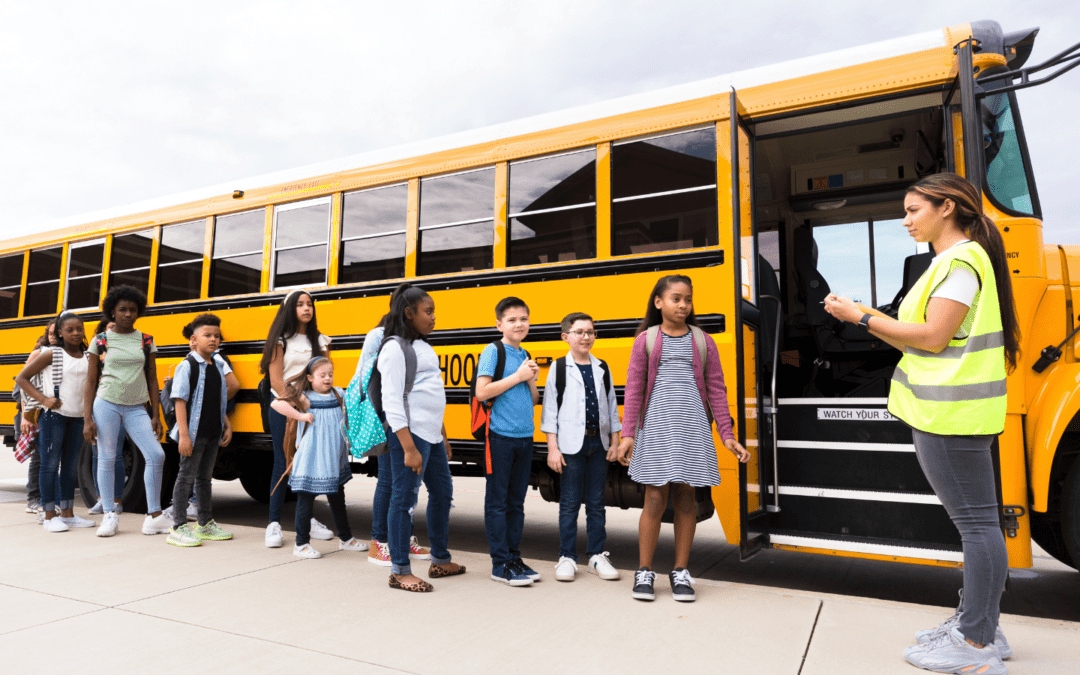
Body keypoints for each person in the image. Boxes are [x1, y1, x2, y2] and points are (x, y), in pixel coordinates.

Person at [824, 173, 1018, 675]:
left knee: (976, 528)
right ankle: (980, 625)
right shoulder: (960, 260)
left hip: (948, 412)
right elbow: (921, 338)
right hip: (949, 410)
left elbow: (932, 337)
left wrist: (859, 317)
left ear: (947, 207)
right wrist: (865, 316)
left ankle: (975, 645)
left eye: (914, 209)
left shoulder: (958, 260)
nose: (905, 219)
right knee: (980, 526)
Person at [617, 275, 750, 602]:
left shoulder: (703, 341)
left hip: (692, 428)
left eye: (687, 299)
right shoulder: (645, 340)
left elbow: (717, 390)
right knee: (653, 499)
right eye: (676, 298)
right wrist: (627, 434)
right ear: (658, 302)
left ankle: (680, 571)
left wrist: (727, 434)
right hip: (657, 427)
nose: (683, 305)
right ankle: (645, 570)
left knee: (687, 498)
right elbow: (633, 390)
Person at [377, 285, 462, 591]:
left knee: (442, 492)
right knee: (404, 500)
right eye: (428, 311)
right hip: (409, 435)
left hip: (431, 435)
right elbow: (393, 401)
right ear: (409, 313)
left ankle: (439, 559)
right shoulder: (394, 348)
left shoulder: (423, 346)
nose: (434, 317)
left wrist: (443, 435)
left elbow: (430, 394)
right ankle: (400, 571)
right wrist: (409, 447)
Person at [354, 283, 432, 566]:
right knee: (389, 481)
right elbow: (365, 378)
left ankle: (401, 539)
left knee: (406, 483)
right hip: (386, 417)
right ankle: (379, 542)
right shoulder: (379, 335)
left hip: (411, 419)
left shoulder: (415, 337)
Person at [83, 284, 169, 538]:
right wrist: (87, 419)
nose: (128, 314)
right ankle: (110, 514)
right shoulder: (101, 340)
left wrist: (156, 414)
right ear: (112, 311)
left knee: (156, 455)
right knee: (107, 457)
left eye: (133, 310)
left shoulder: (145, 339)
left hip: (136, 407)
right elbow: (90, 382)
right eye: (122, 310)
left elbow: (152, 378)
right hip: (106, 403)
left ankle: (154, 516)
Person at [541, 312, 622, 582]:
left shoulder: (602, 367)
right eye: (579, 332)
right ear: (566, 337)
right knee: (569, 503)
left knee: (597, 503)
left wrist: (615, 441)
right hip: (570, 445)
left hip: (597, 443)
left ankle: (597, 555)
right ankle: (567, 557)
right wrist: (553, 448)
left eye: (590, 331)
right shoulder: (559, 368)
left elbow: (611, 406)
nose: (585, 336)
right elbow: (549, 410)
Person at [271, 357, 367, 559]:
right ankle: (301, 544)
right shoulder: (305, 397)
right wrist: (300, 416)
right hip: (311, 458)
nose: (328, 378)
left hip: (332, 458)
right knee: (305, 500)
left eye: (330, 374)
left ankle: (346, 539)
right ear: (309, 377)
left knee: (338, 497)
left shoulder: (338, 394)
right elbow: (276, 404)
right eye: (322, 375)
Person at [260, 289, 335, 548]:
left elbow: (325, 375)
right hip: (285, 408)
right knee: (283, 463)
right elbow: (277, 381)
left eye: (310, 304)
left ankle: (308, 520)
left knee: (308, 464)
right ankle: (273, 524)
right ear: (290, 309)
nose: (306, 308)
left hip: (311, 411)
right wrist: (299, 404)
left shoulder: (321, 340)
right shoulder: (280, 339)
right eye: (300, 304)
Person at [475, 296, 541, 586]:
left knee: (517, 503)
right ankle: (499, 563)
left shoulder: (524, 352)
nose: (519, 324)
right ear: (499, 323)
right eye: (512, 319)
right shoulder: (493, 351)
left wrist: (531, 379)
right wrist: (518, 376)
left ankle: (514, 557)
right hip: (500, 436)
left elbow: (534, 399)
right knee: (498, 502)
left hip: (524, 437)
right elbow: (482, 392)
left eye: (524, 319)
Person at [15, 311, 94, 531]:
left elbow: (90, 388)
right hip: (53, 418)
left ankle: (68, 514)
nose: (76, 333)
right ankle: (50, 515)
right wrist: (44, 400)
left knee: (69, 467)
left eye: (79, 328)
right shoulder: (52, 353)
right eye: (70, 330)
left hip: (77, 418)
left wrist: (89, 419)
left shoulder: (88, 357)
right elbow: (22, 378)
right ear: (60, 333)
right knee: (49, 465)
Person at [165, 313, 235, 547]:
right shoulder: (188, 365)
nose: (213, 340)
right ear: (193, 340)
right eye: (207, 335)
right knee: (185, 477)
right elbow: (180, 401)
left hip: (212, 431)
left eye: (217, 336)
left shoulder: (218, 364)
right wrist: (184, 436)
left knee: (205, 478)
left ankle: (204, 523)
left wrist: (226, 422)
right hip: (193, 434)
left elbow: (217, 399)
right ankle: (178, 527)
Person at [86, 319, 125, 516]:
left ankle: (116, 500)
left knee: (115, 454)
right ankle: (102, 499)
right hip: (98, 406)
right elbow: (89, 383)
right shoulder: (94, 355)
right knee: (97, 455)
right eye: (110, 328)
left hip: (121, 405)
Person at [20, 319, 58, 517]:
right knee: (40, 455)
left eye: (55, 333)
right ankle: (34, 498)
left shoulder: (66, 354)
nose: (52, 337)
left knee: (50, 456)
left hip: (56, 412)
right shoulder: (39, 353)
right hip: (37, 411)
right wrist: (26, 416)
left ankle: (50, 499)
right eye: (50, 333)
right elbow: (24, 384)